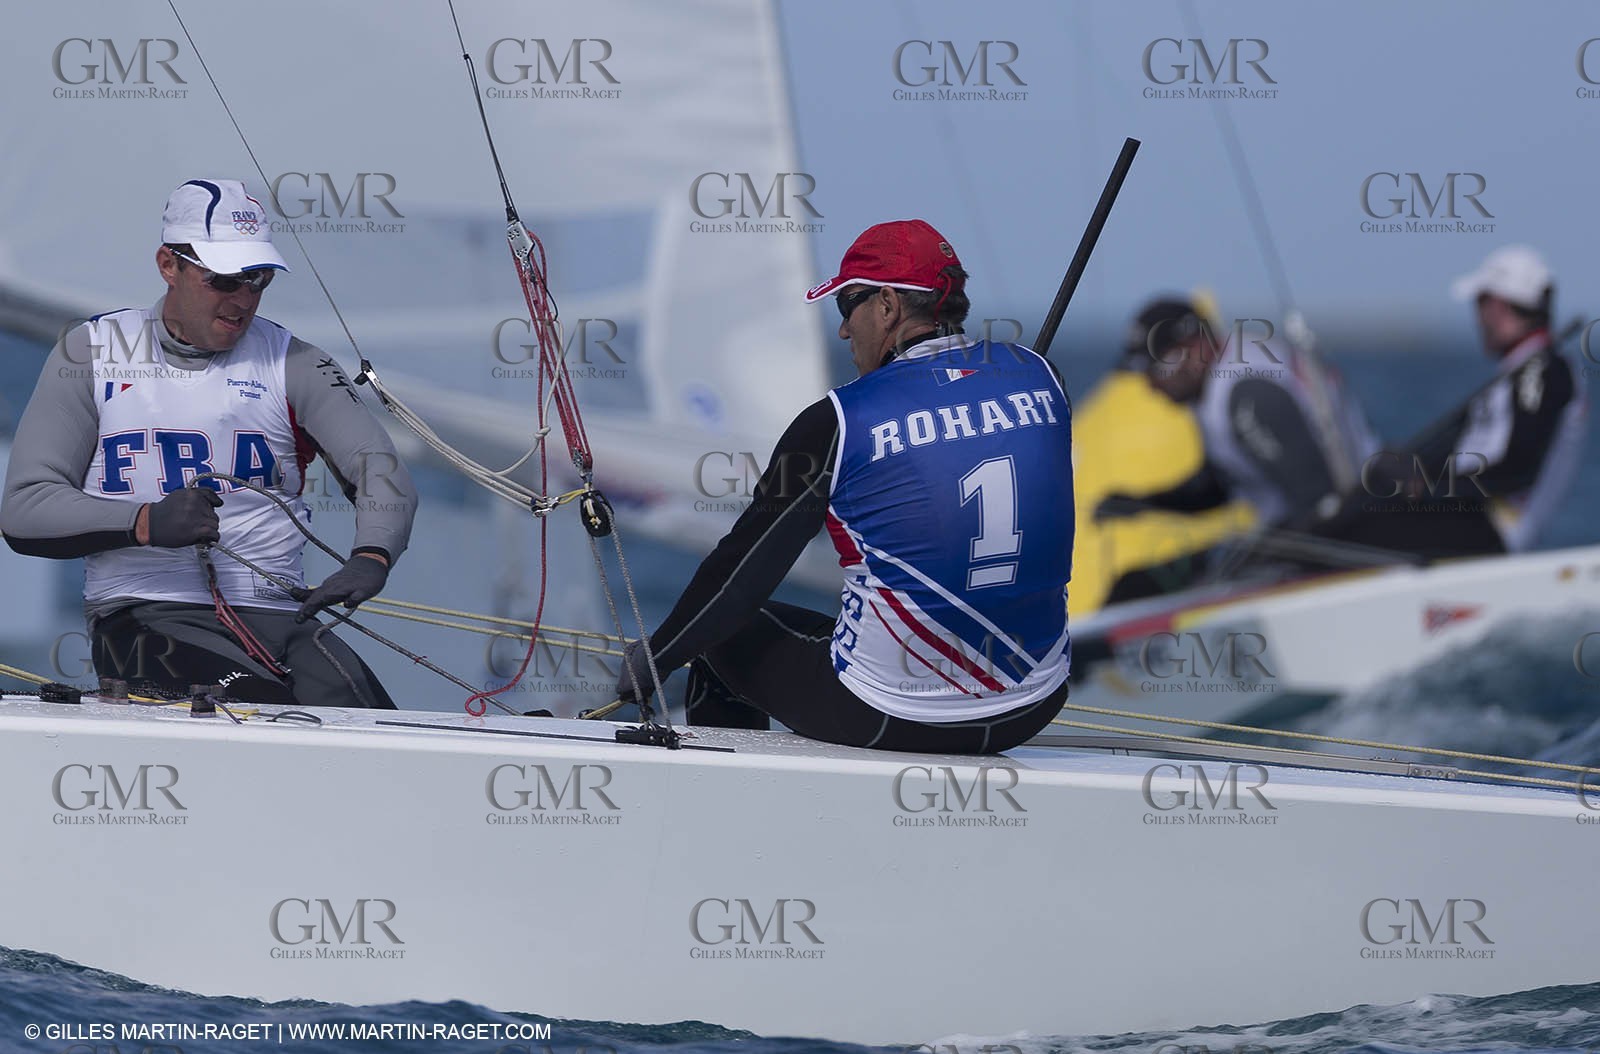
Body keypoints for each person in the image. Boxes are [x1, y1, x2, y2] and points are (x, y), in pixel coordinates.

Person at [613, 219, 1073, 754]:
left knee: (722, 634)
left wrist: (655, 657)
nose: (843, 331)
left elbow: (741, 574)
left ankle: (730, 793)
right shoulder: (1043, 376)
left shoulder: (836, 421)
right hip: (1035, 704)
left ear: (887, 305)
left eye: (846, 306)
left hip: (891, 717)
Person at [0, 178, 418, 707]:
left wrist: (372, 555)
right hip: (145, 612)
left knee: (372, 725)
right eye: (223, 279)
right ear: (168, 265)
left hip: (281, 615)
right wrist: (145, 521)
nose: (243, 300)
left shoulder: (296, 362)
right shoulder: (91, 352)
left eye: (258, 279)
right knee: (266, 715)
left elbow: (378, 468)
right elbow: (25, 508)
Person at [1093, 296, 1377, 602]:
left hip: (1345, 534)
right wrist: (1142, 503)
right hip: (1298, 532)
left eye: (1156, 368)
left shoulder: (1246, 396)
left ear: (1196, 348)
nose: (1151, 385)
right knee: (1133, 586)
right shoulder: (1213, 384)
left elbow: (1320, 503)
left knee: (1148, 591)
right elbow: (1220, 484)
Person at [1315, 245, 1587, 557]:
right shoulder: (1522, 370)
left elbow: (1517, 468)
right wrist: (1407, 468)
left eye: (1478, 305)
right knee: (1357, 504)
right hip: (1469, 516)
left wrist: (1425, 486)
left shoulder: (1541, 370)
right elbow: (1458, 453)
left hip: (1492, 531)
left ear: (1496, 306)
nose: (1477, 319)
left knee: (1353, 528)